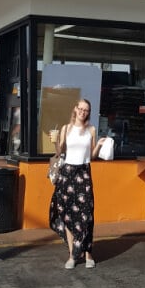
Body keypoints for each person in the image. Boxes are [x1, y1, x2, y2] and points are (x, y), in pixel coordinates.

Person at [49, 99, 107, 269]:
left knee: (86, 215)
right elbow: (60, 152)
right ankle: (72, 256)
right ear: (75, 109)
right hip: (67, 174)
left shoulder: (91, 130)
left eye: (86, 110)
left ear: (88, 112)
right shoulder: (66, 129)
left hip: (84, 173)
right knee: (67, 213)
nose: (83, 112)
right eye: (80, 108)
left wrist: (99, 146)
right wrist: (54, 141)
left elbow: (93, 155)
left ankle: (88, 254)